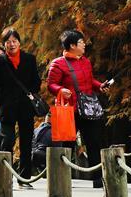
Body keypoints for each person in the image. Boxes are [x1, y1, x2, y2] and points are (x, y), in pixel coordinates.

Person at [46, 29, 110, 187]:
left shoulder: (85, 61)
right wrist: (60, 90)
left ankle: (98, 179)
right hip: (67, 111)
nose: (84, 45)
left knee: (93, 142)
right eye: (81, 42)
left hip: (87, 109)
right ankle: (63, 180)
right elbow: (51, 85)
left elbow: (90, 81)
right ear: (72, 45)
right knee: (66, 145)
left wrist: (100, 86)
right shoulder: (58, 63)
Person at [0, 27, 41, 188]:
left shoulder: (29, 59)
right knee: (7, 140)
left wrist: (30, 92)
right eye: (8, 42)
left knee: (26, 143)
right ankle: (4, 176)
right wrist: (2, 102)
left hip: (26, 107)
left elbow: (36, 82)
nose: (11, 44)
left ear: (19, 42)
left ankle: (24, 178)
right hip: (8, 108)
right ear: (4, 44)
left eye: (14, 41)